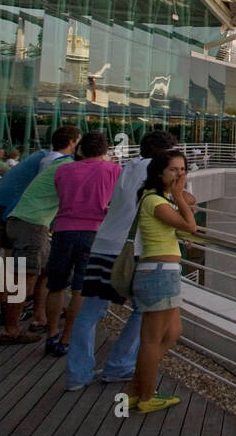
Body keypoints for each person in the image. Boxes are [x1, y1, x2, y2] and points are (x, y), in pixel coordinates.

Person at [65, 131, 176, 392]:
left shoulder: (126, 168)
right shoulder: (160, 172)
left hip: (103, 244)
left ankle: (76, 374)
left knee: (89, 313)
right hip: (134, 252)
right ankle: (119, 365)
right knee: (144, 310)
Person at [125, 150, 198, 413]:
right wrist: (179, 195)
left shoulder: (159, 199)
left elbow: (191, 202)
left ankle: (135, 388)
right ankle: (146, 396)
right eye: (173, 170)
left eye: (182, 169)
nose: (179, 174)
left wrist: (180, 194)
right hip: (157, 273)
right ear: (159, 172)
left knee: (172, 332)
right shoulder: (155, 201)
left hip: (163, 271)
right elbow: (191, 225)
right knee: (152, 340)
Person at [43, 132, 121, 358]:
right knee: (80, 288)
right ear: (105, 151)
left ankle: (51, 334)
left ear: (81, 150)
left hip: (63, 229)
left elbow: (60, 194)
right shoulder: (113, 170)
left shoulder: (63, 169)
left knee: (56, 285)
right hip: (94, 231)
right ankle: (67, 339)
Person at [1, 126, 81, 343]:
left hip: (33, 223)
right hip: (31, 224)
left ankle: (39, 317)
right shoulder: (70, 168)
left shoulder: (62, 164)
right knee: (24, 278)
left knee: (44, 271)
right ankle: (10, 329)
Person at [0, 143, 58, 304]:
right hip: (7, 205)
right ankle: (6, 298)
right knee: (11, 251)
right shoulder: (51, 160)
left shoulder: (42, 154)